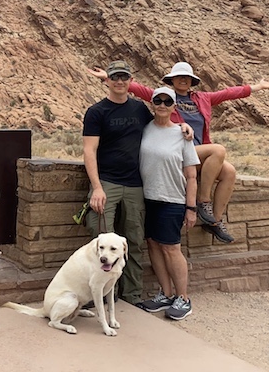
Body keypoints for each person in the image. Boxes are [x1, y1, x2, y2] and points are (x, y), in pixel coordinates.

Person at [89, 61, 269, 243]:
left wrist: (257, 87)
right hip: (179, 151)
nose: (183, 80)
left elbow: (229, 93)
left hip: (198, 151)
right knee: (219, 150)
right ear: (171, 80)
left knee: (229, 172)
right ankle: (203, 201)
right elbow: (134, 87)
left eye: (187, 77)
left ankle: (214, 221)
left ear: (192, 81)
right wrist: (107, 76)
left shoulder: (203, 98)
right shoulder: (164, 97)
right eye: (179, 77)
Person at [82, 60, 193, 306]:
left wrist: (183, 125)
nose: (120, 81)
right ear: (107, 81)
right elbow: (89, 151)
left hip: (135, 185)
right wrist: (97, 187)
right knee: (100, 239)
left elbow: (162, 120)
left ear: (130, 81)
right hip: (107, 183)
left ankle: (131, 294)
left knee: (133, 240)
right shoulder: (97, 112)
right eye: (115, 77)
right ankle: (98, 294)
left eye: (124, 77)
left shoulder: (140, 110)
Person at [135, 86, 200, 320]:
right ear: (152, 103)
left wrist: (191, 208)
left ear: (174, 106)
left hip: (172, 199)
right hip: (147, 197)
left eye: (167, 101)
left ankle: (183, 298)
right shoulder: (144, 130)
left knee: (171, 248)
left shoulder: (182, 135)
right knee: (153, 245)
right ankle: (166, 294)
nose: (162, 105)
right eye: (158, 100)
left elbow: (191, 175)